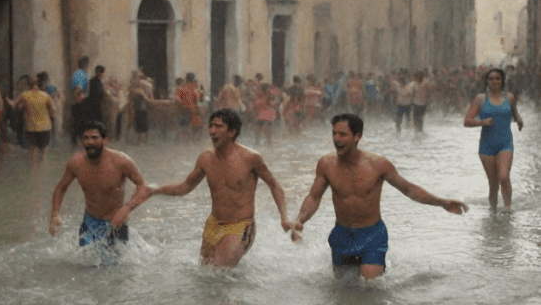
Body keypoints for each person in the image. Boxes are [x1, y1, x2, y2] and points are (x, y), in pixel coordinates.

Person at [291, 114, 468, 280]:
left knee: (370, 288)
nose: (337, 139)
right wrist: (300, 219)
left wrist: (442, 202)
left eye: (343, 134)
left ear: (356, 136)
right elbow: (313, 197)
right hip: (341, 234)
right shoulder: (326, 164)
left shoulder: (378, 164)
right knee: (343, 290)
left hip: (372, 235)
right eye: (334, 133)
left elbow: (408, 189)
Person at [150, 109, 293, 267]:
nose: (212, 131)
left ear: (232, 132)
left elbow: (274, 185)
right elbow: (185, 187)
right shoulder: (206, 159)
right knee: (204, 274)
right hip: (213, 224)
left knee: (218, 271)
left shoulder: (251, 158)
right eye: (211, 126)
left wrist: (284, 217)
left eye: (218, 126)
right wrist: (154, 190)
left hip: (241, 225)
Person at [49, 121, 152, 248]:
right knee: (86, 264)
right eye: (85, 138)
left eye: (94, 138)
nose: (89, 142)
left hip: (116, 222)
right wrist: (55, 214)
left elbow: (143, 186)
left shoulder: (120, 162)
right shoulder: (76, 163)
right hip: (90, 221)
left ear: (105, 140)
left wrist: (127, 208)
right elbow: (61, 187)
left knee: (117, 265)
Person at [464, 68, 524, 212]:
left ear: (502, 80)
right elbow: (467, 121)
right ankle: (493, 212)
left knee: (504, 176)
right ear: (487, 81)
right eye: (491, 79)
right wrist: (482, 122)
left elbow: (515, 113)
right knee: (493, 183)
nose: (494, 81)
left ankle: (508, 208)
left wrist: (519, 119)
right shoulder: (480, 99)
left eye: (498, 78)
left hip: (505, 143)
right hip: (486, 146)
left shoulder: (509, 97)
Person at [7, 76, 55, 172]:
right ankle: (41, 171)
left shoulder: (25, 95)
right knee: (44, 150)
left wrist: (7, 99)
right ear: (40, 85)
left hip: (32, 127)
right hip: (45, 127)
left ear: (29, 85)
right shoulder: (45, 95)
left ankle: (33, 173)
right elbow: (53, 109)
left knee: (33, 150)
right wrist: (50, 117)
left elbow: (13, 105)